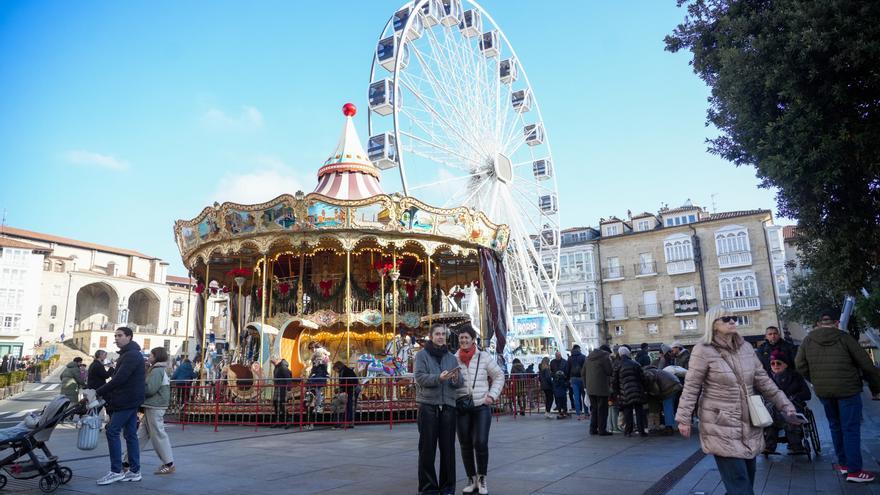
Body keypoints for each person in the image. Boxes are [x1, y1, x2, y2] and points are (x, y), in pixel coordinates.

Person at [677, 305, 801, 495]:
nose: (733, 321)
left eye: (733, 317)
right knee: (740, 484)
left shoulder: (746, 347)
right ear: (714, 324)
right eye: (726, 319)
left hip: (749, 420)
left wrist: (786, 405)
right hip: (721, 422)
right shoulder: (702, 350)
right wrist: (684, 418)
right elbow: (692, 386)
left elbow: (763, 380)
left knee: (746, 480)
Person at [795, 309, 880, 483]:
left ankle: (843, 465)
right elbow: (866, 364)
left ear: (819, 323)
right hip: (847, 390)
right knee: (850, 429)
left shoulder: (808, 340)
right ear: (836, 322)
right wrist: (875, 387)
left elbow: (799, 364)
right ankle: (855, 471)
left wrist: (815, 380)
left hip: (824, 391)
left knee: (835, 426)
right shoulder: (844, 338)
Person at [455, 324, 504, 495]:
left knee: (480, 442)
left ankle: (482, 477)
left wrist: (492, 396)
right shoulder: (454, 359)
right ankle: (471, 478)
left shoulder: (483, 357)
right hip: (462, 407)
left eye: (466, 337)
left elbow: (499, 375)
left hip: (481, 406)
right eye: (461, 338)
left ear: (472, 339)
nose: (464, 340)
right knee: (465, 443)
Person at [415, 324, 463, 495]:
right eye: (437, 334)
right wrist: (438, 378)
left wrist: (456, 378)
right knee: (427, 449)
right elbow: (419, 377)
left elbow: (460, 382)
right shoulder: (421, 355)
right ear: (431, 336)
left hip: (448, 407)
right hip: (428, 406)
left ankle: (448, 487)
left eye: (443, 334)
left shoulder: (451, 357)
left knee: (448, 449)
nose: (441, 337)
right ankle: (428, 488)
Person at [94, 327, 146, 485]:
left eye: (120, 336)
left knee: (112, 431)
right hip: (131, 399)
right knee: (130, 435)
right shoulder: (130, 354)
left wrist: (98, 392)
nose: (116, 338)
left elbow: (120, 379)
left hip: (127, 400)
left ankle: (116, 471)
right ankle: (135, 471)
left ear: (129, 337)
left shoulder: (131, 355)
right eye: (115, 336)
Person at [125, 347, 175, 475]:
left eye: (151, 356)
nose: (149, 358)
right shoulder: (157, 369)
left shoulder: (157, 370)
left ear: (157, 357)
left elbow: (150, 389)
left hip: (155, 405)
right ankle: (127, 461)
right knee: (141, 435)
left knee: (157, 434)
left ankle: (169, 463)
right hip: (152, 405)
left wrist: (138, 388)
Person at [763, 349, 811, 455]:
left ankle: (796, 445)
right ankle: (769, 446)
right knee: (770, 413)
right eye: (772, 363)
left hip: (792, 407)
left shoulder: (795, 376)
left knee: (789, 412)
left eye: (778, 363)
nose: (775, 365)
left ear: (785, 364)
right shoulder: (765, 378)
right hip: (773, 409)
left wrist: (794, 397)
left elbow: (807, 394)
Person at [612, 346, 647, 437]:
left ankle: (628, 431)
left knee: (628, 412)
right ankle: (641, 431)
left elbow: (614, 381)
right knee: (639, 411)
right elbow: (643, 378)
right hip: (637, 391)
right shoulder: (636, 364)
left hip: (625, 392)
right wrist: (644, 389)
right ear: (628, 354)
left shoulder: (617, 365)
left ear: (620, 354)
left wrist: (617, 393)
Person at [583, 344, 612, 435]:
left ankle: (593, 429)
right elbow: (609, 371)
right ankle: (602, 430)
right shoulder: (605, 357)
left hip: (590, 388)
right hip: (601, 387)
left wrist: (586, 386)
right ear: (606, 351)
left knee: (594, 409)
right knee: (603, 410)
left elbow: (582, 372)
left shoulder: (588, 358)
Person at [332, 360, 359, 428]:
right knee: (349, 405)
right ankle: (349, 421)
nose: (335, 371)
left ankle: (348, 421)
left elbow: (347, 382)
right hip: (350, 389)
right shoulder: (344, 371)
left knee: (350, 405)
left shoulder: (345, 371)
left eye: (335, 369)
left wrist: (341, 389)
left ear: (338, 367)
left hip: (352, 389)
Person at [567, 345, 587, 420]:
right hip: (582, 378)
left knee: (576, 397)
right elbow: (586, 368)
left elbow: (568, 369)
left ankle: (578, 414)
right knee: (584, 396)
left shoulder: (570, 358)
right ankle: (586, 413)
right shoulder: (583, 357)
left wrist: (569, 379)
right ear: (578, 349)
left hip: (573, 379)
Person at [272, 359, 293, 428]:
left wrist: (289, 390)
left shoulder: (283, 367)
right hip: (278, 388)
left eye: (274, 360)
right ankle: (279, 421)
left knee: (283, 405)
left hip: (283, 389)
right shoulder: (277, 367)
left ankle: (288, 421)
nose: (273, 362)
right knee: (276, 404)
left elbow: (288, 379)